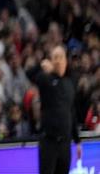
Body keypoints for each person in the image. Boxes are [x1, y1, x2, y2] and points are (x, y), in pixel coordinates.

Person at [27, 45, 82, 174]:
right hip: (49, 142)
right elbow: (28, 74)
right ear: (51, 60)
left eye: (61, 57)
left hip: (65, 144)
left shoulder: (70, 83)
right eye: (55, 57)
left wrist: (77, 140)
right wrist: (41, 65)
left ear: (66, 61)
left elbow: (71, 112)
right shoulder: (45, 79)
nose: (58, 61)